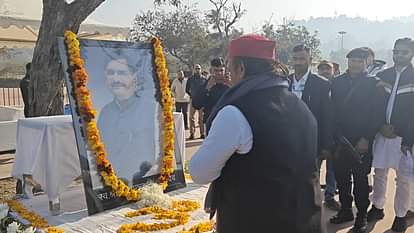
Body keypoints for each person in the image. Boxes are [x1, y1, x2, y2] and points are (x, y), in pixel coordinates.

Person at [189, 34, 324, 233]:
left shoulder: (236, 112)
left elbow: (200, 172)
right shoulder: (299, 105)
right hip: (303, 219)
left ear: (241, 68)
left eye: (229, 66)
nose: (227, 72)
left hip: (255, 220)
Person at [329, 48, 383, 233]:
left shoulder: (373, 83)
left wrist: (366, 138)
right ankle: (346, 210)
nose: (356, 64)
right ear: (347, 61)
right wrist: (335, 135)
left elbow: (376, 114)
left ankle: (361, 216)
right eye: (352, 60)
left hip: (362, 140)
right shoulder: (336, 82)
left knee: (360, 180)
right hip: (340, 139)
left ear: (366, 62)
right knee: (342, 179)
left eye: (360, 61)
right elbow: (332, 110)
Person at [367, 38, 414, 232]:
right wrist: (380, 127)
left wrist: (408, 139)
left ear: (411, 53)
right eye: (396, 51)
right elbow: (374, 105)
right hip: (382, 134)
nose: (398, 55)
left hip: (404, 138)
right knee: (379, 173)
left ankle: (401, 215)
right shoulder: (382, 75)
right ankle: (377, 206)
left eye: (403, 52)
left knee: (403, 179)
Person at [97, 57, 157, 186]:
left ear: (134, 77)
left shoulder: (152, 109)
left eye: (122, 73)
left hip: (147, 183)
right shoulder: (105, 113)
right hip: (112, 183)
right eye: (110, 73)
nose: (115, 79)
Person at [191, 58, 231, 123]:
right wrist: (206, 89)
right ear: (211, 71)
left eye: (221, 70)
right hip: (211, 122)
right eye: (216, 70)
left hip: (228, 121)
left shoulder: (231, 84)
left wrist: (232, 86)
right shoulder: (205, 85)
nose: (219, 73)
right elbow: (196, 104)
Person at [186, 64, 207, 139]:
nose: (197, 70)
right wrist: (192, 95)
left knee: (201, 118)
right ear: (193, 70)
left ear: (201, 69)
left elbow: (207, 89)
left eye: (199, 68)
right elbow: (187, 89)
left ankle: (202, 133)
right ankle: (192, 133)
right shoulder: (190, 79)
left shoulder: (204, 79)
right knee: (191, 117)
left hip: (202, 101)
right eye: (196, 68)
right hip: (193, 100)